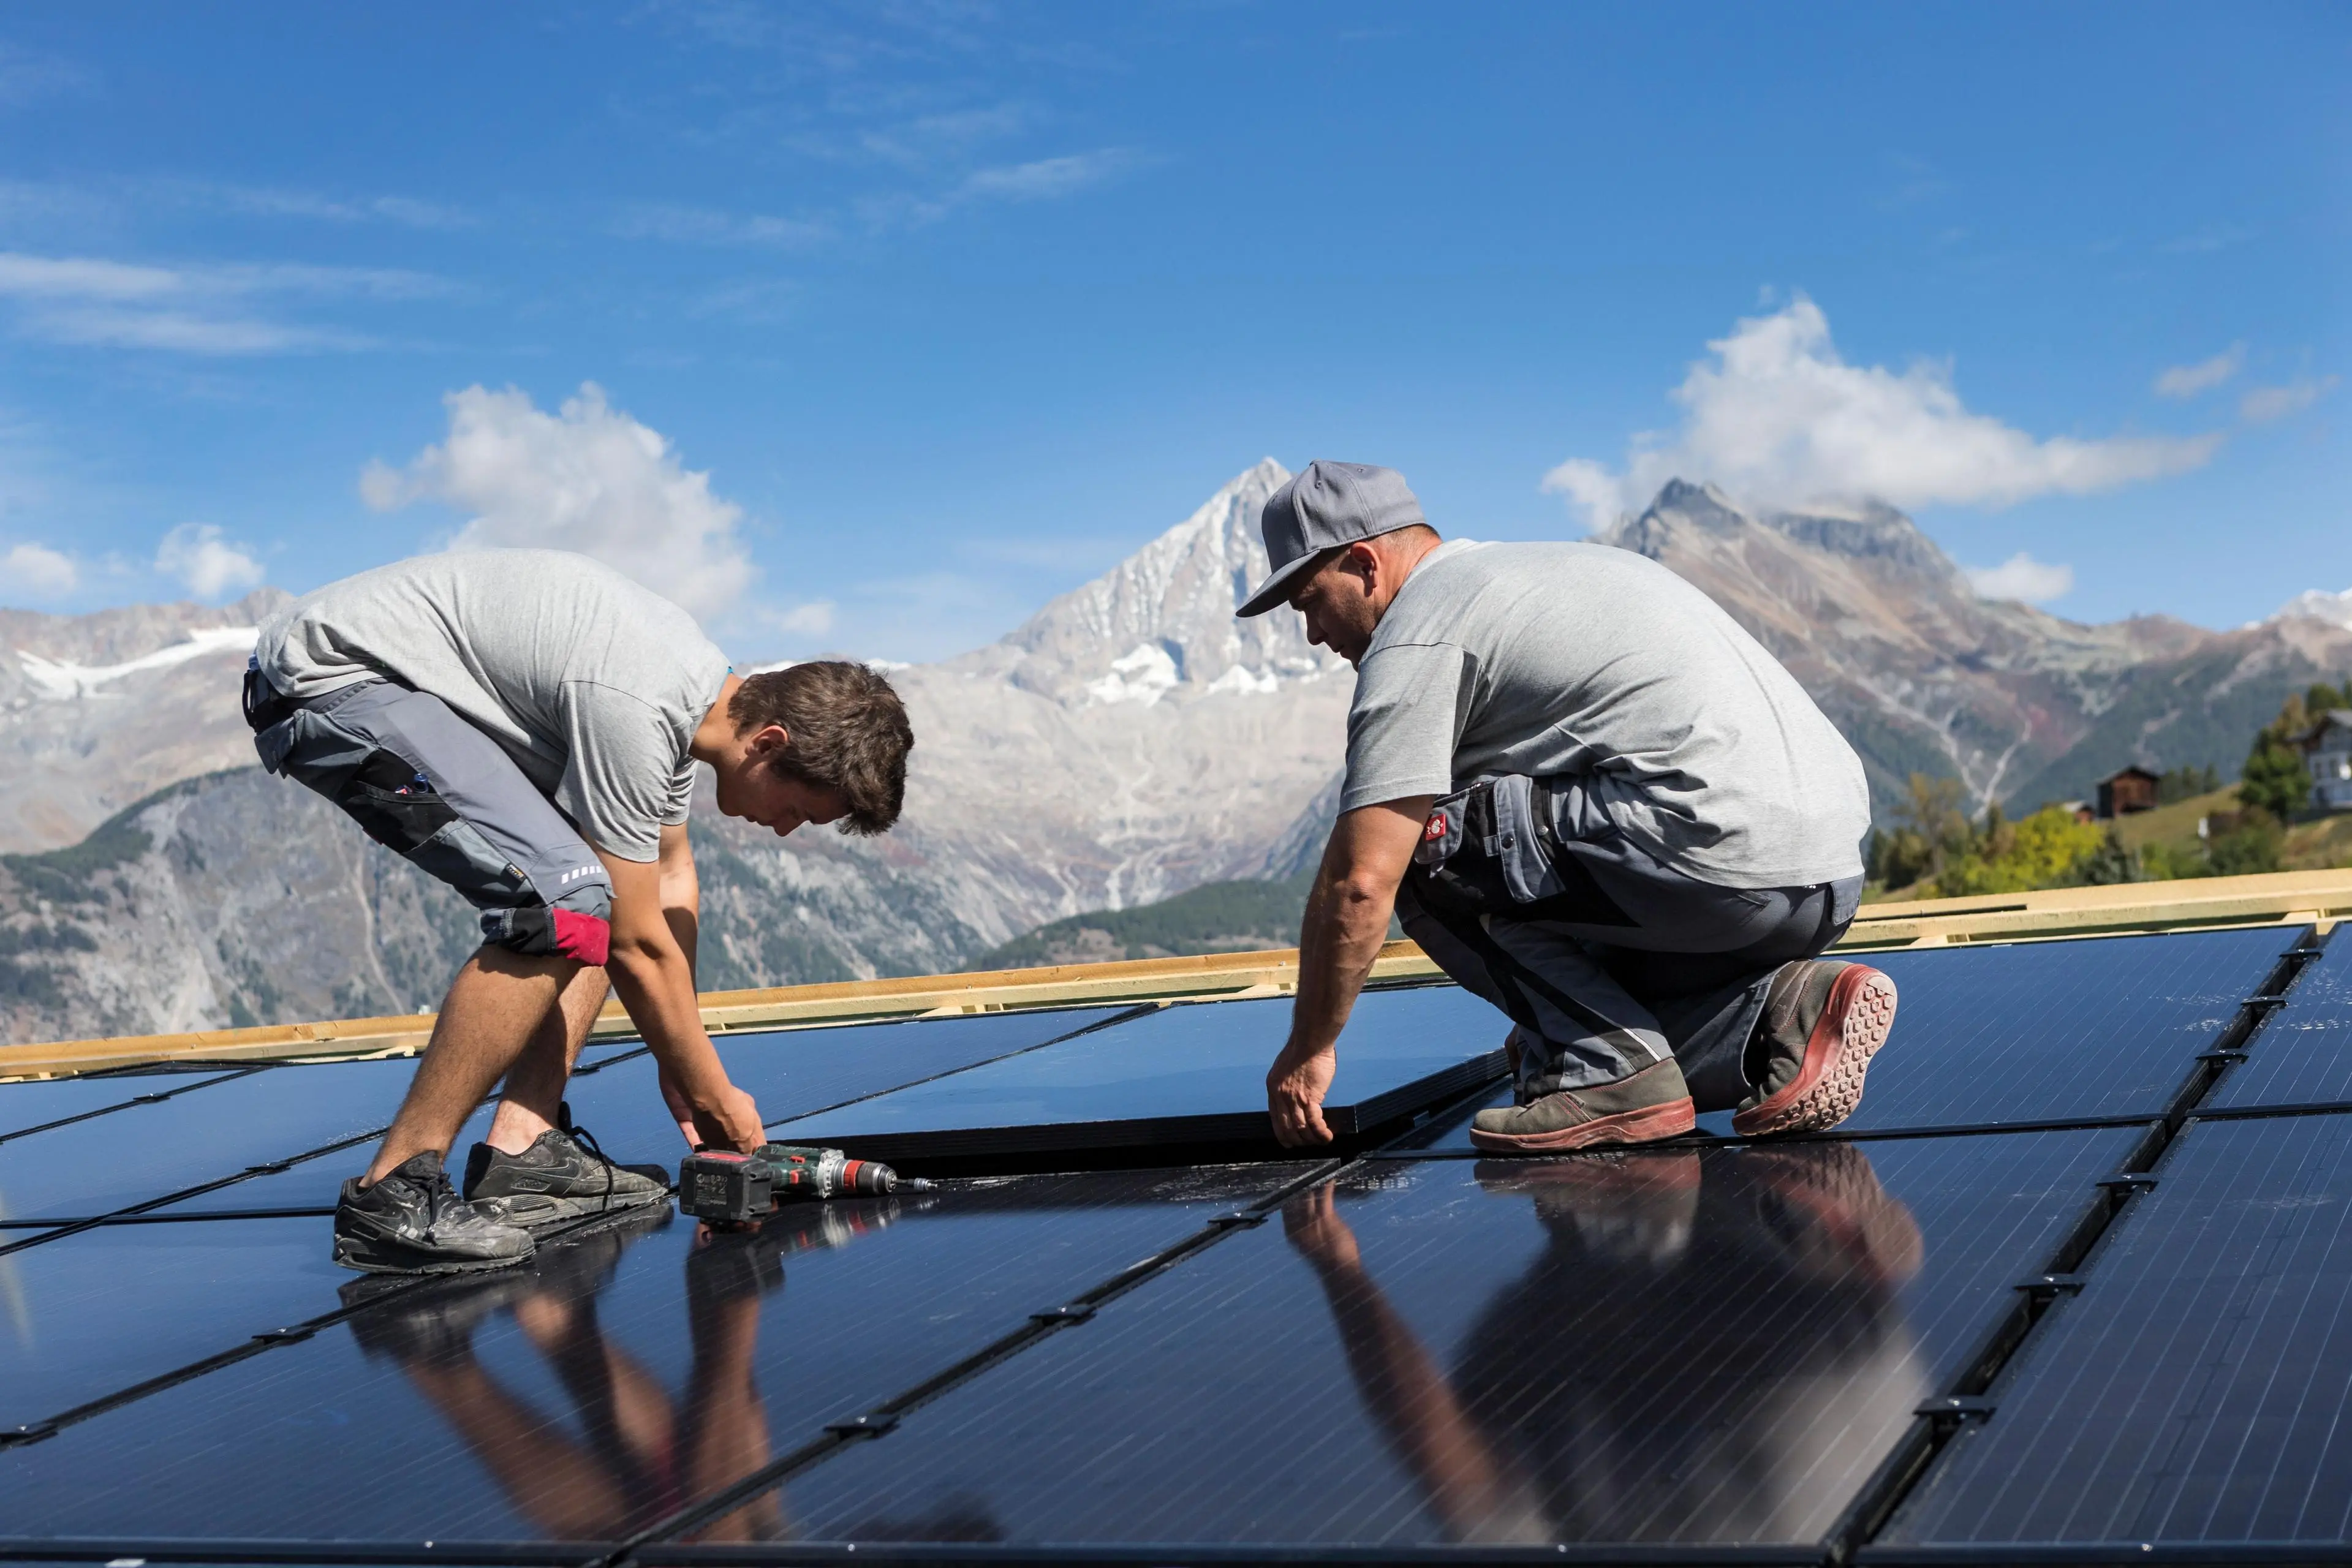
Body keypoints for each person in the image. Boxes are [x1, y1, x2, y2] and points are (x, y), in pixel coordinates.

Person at [245, 548, 913, 1273]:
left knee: (599, 886)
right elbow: (631, 939)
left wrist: (677, 1056)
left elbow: (664, 880)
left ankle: (523, 1149)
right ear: (770, 743)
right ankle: (392, 1194)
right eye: (799, 811)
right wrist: (711, 1089)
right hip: (329, 682)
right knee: (559, 898)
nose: (786, 829)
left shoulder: (692, 702)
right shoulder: (637, 699)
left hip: (400, 686)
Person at [1242, 461, 1894, 1153]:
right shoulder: (1554, 572)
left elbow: (1359, 883)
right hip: (1824, 877)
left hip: (1712, 862)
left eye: (1309, 601)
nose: (1312, 632)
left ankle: (1608, 1070)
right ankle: (1783, 1013)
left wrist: (1307, 1048)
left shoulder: (1419, 631)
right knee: (1559, 997)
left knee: (1423, 853)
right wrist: (1547, 1020)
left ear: (1365, 563)